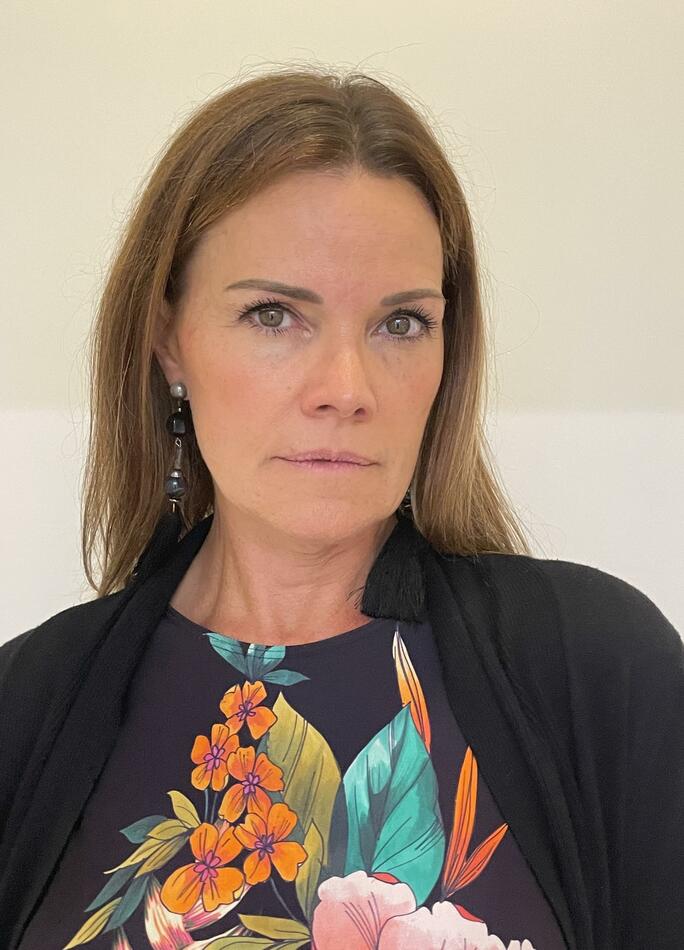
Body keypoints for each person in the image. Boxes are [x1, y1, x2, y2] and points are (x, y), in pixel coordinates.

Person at [0, 67, 681, 950]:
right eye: (274, 314)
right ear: (168, 340)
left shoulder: (598, 670)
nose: (347, 388)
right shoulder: (24, 708)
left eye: (401, 323)